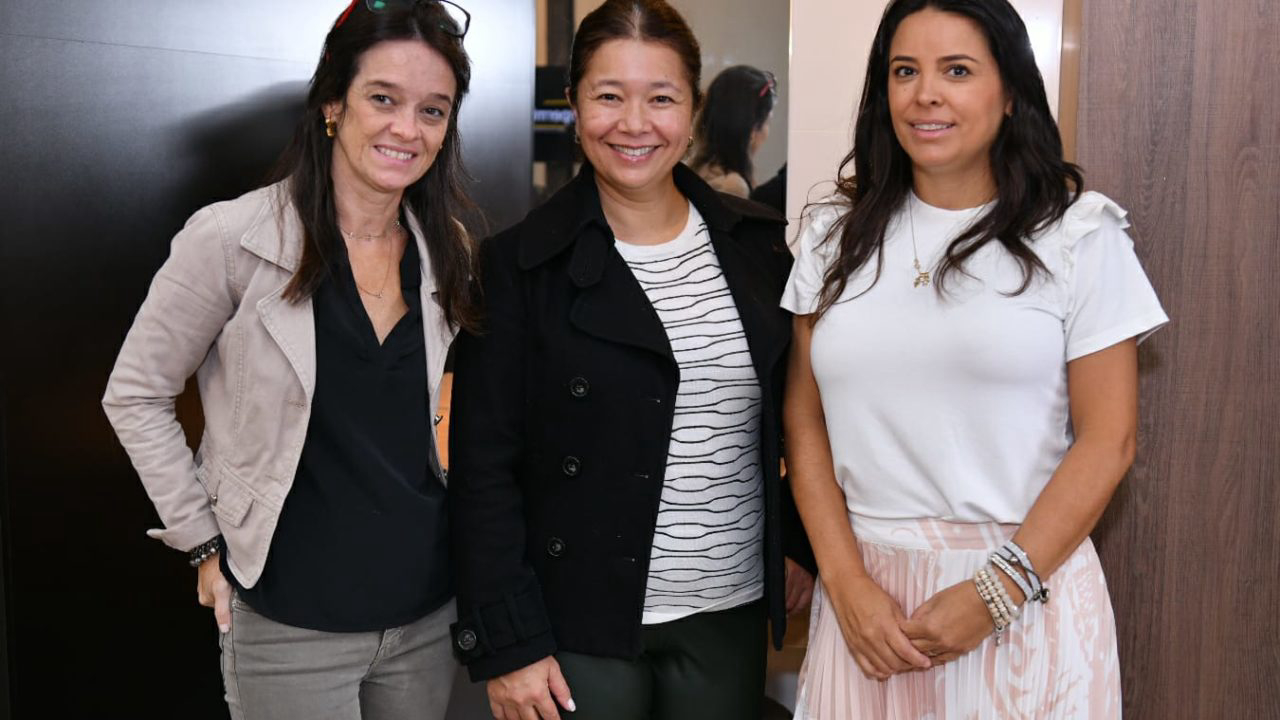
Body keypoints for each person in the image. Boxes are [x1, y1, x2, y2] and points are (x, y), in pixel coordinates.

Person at [781, 0, 1168, 718]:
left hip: (1025, 593)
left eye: (956, 70)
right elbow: (806, 428)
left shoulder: (1080, 236)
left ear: (1011, 90)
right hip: (871, 614)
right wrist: (845, 582)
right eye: (905, 71)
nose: (926, 94)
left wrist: (997, 592)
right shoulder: (834, 238)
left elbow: (1109, 441)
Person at [101, 1, 477, 717]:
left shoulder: (447, 248)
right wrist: (200, 542)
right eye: (383, 99)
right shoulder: (231, 239)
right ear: (333, 103)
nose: (408, 128)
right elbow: (136, 393)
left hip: (427, 619)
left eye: (433, 110)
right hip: (287, 625)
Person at [447, 2, 814, 719]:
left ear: (695, 108)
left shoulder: (760, 248)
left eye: (662, 98)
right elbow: (482, 468)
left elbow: (807, 417)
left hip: (728, 612)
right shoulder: (519, 265)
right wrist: (509, 643)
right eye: (609, 96)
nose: (634, 123)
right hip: (577, 619)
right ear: (574, 102)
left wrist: (796, 543)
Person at [688, 64, 777, 198]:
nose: (766, 131)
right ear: (752, 130)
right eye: (767, 122)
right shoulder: (732, 187)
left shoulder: (697, 172)